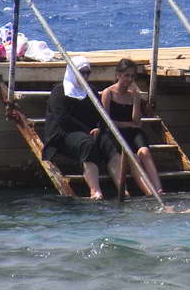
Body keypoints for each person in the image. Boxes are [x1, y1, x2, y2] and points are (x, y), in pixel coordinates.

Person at [43, 56, 118, 200]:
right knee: (87, 143)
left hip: (88, 132)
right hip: (63, 134)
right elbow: (63, 119)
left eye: (87, 73)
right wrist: (87, 131)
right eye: (81, 73)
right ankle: (95, 191)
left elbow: (101, 114)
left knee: (109, 142)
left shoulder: (91, 91)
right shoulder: (59, 91)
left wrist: (99, 128)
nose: (85, 76)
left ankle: (123, 188)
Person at [100, 58, 164, 196]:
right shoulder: (109, 93)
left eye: (132, 76)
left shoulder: (133, 94)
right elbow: (107, 121)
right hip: (116, 132)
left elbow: (137, 122)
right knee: (133, 158)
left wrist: (136, 100)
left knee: (144, 152)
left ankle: (159, 189)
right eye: (126, 75)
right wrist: (127, 124)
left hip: (133, 132)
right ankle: (149, 192)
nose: (129, 79)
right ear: (118, 75)